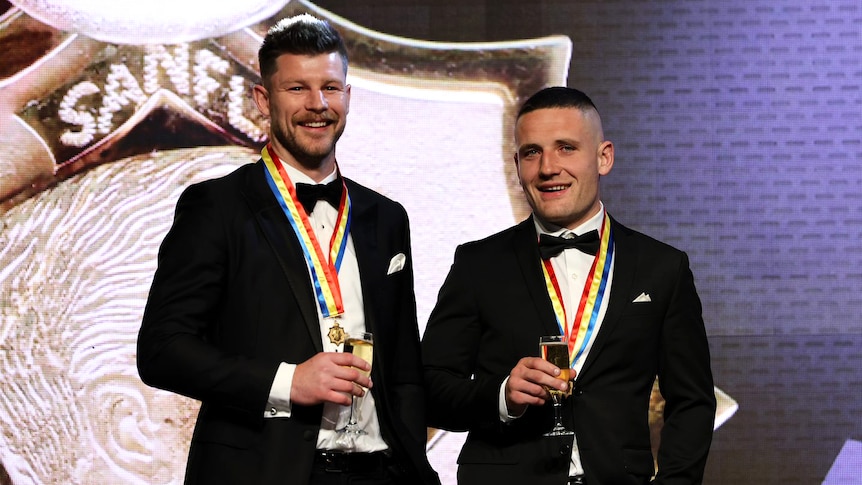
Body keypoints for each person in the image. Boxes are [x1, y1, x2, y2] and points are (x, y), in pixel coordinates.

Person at [137, 14, 439, 485]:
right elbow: (161, 350)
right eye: (297, 88)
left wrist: (414, 467)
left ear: (348, 97)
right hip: (264, 472)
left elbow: (402, 368)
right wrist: (287, 382)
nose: (317, 105)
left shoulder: (387, 217)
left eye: (331, 88)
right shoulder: (216, 207)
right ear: (263, 99)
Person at [421, 86, 716, 485]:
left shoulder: (662, 268)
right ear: (517, 164)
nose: (547, 167)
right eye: (532, 152)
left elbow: (692, 402)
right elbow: (429, 389)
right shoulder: (478, 264)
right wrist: (502, 395)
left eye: (566, 148)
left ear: (603, 157)